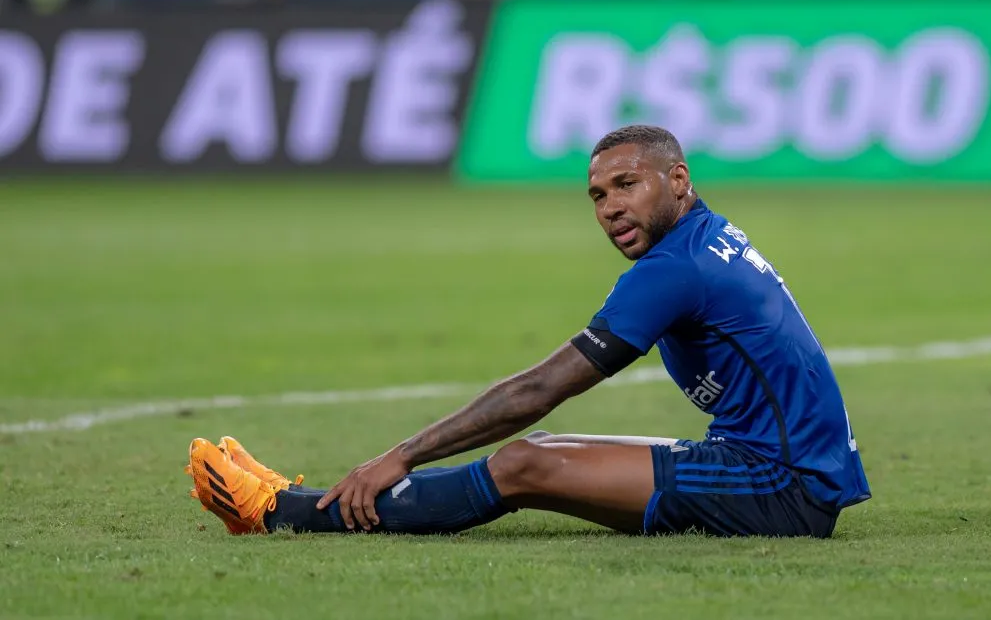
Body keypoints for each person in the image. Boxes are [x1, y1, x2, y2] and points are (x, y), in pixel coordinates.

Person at [186, 125, 870, 538]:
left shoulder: (676, 269)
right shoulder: (703, 237)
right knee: (538, 453)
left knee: (523, 463)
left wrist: (403, 453)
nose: (609, 208)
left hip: (782, 486)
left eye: (628, 185)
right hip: (768, 461)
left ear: (679, 181)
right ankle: (306, 502)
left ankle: (284, 511)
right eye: (598, 196)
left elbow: (542, 387)